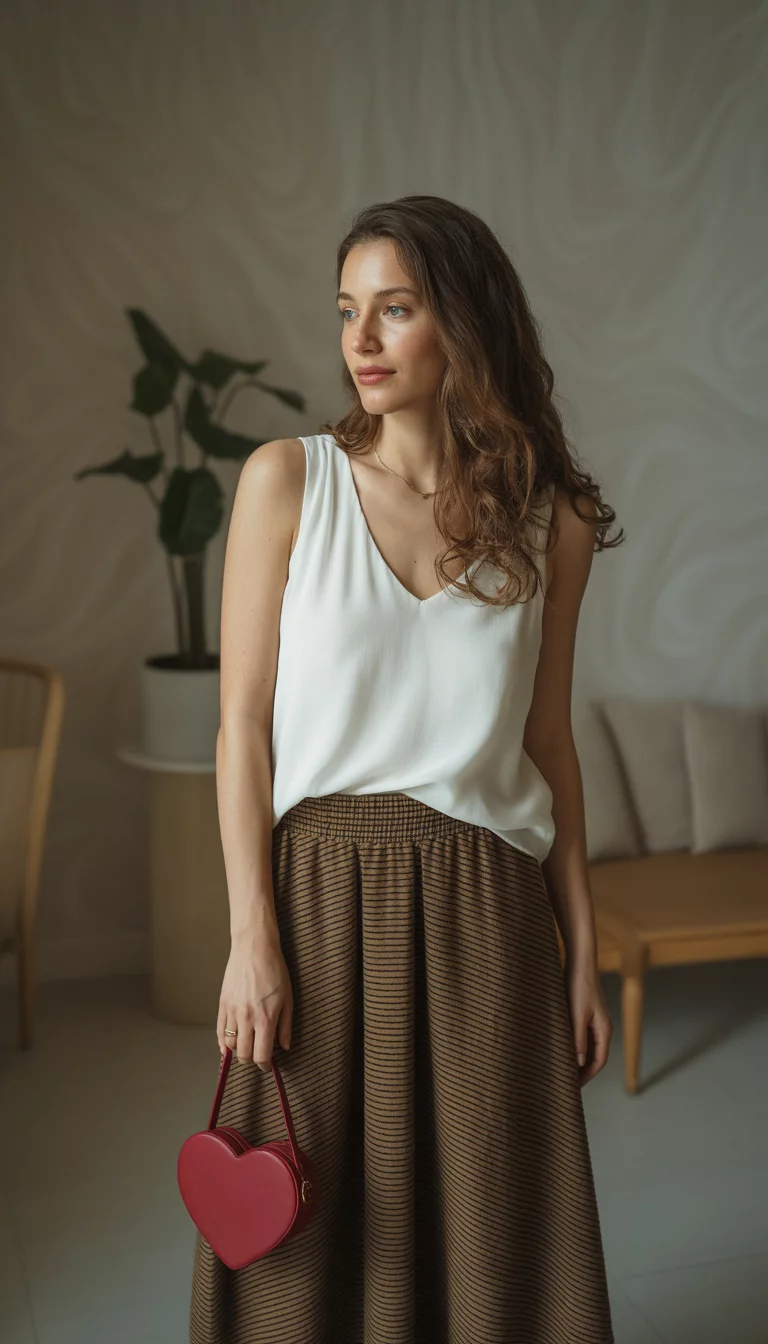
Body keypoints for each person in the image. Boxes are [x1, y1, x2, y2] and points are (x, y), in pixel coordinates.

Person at [189, 194, 622, 1344]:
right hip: (318, 907)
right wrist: (250, 937)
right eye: (347, 312)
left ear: (464, 326)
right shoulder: (288, 482)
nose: (361, 341)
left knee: (485, 1243)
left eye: (396, 309)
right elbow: (242, 731)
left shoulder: (551, 519)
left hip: (490, 914)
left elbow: (546, 745)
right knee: (312, 1246)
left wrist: (585, 951)